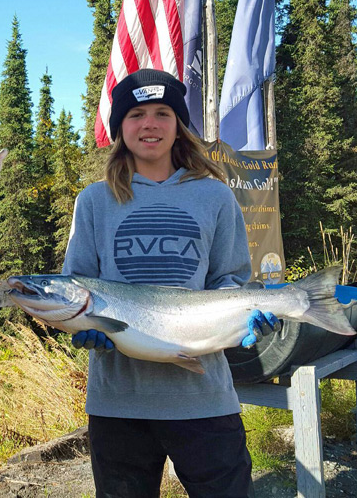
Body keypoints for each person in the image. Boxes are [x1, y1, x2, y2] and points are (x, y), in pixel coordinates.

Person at [62, 68, 278, 498]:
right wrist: (84, 330)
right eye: (136, 114)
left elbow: (229, 278)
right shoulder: (93, 202)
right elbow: (75, 288)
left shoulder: (215, 196)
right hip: (117, 403)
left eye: (163, 113)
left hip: (204, 397)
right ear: (119, 127)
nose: (150, 124)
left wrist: (243, 313)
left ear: (179, 125)